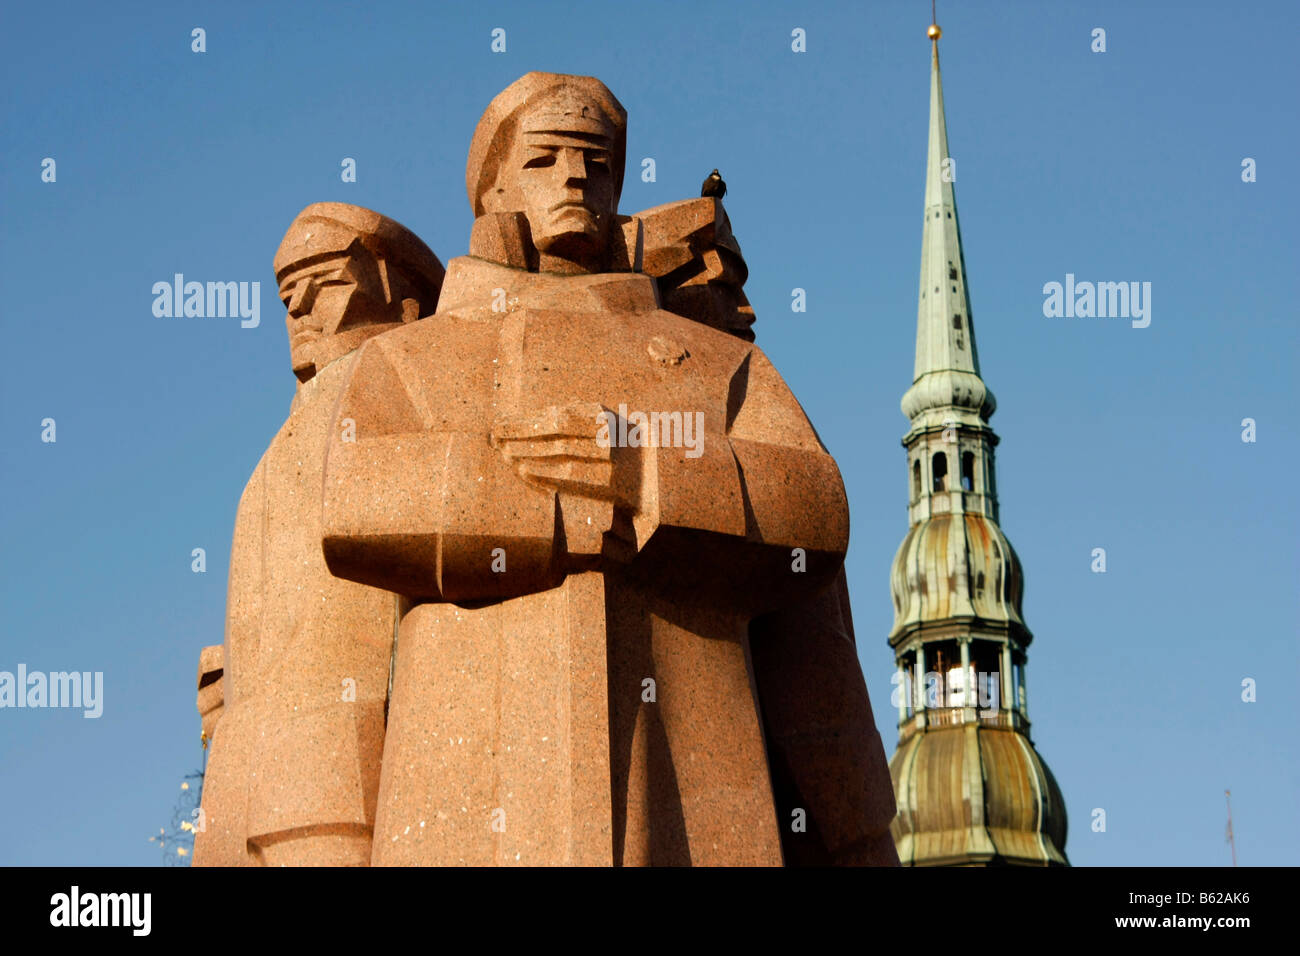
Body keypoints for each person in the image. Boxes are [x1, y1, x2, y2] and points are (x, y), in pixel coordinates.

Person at [193, 203, 444, 866]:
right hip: (243, 774)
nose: (299, 310)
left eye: (325, 284)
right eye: (286, 295)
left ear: (404, 298)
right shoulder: (282, 438)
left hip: (336, 763)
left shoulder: (404, 396)